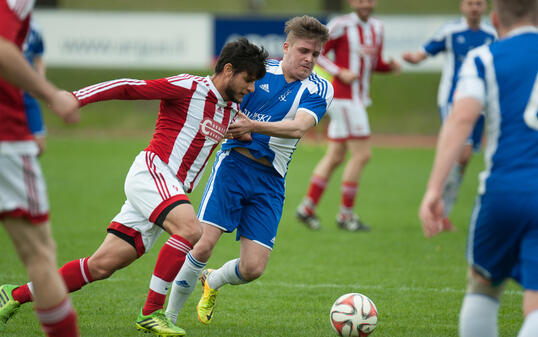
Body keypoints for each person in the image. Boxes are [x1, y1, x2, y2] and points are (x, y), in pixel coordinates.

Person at [0, 37, 268, 337]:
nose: (252, 88)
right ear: (228, 70)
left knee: (102, 266)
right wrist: (77, 97)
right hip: (153, 172)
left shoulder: (231, 110)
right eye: (249, 80)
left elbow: (235, 133)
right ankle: (152, 313)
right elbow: (129, 86)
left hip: (168, 192)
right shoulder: (188, 87)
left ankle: (15, 294)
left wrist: (248, 134)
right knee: (191, 230)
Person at [164, 15, 333, 326]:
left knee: (253, 268)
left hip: (271, 180)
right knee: (203, 243)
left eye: (316, 54)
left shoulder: (320, 87)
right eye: (304, 51)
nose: (309, 59)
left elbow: (298, 128)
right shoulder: (258, 71)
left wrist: (251, 125)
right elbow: (220, 94)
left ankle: (212, 281)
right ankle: (168, 317)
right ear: (286, 48)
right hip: (233, 166)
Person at [418, 0, 537, 336]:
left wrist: (433, 189)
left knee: (483, 284)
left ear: (495, 19)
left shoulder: (485, 57)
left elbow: (461, 119)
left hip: (503, 190)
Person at [0, 0, 82, 336]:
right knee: (40, 253)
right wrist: (52, 94)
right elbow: (3, 50)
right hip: (5, 135)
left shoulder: (35, 30)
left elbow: (33, 57)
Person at [295, 0, 401, 232]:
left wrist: (389, 66)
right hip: (344, 98)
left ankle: (307, 208)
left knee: (335, 156)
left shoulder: (378, 28)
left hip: (358, 98)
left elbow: (374, 63)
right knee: (362, 155)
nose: (365, 4)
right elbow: (317, 53)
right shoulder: (341, 25)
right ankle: (346, 215)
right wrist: (338, 71)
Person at [403, 0, 496, 230]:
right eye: (470, 3)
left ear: (485, 7)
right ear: (462, 6)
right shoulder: (450, 31)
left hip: (481, 103)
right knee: (461, 154)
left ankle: (442, 211)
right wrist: (413, 59)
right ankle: (438, 208)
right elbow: (425, 52)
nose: (474, 7)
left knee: (463, 161)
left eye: (479, 3)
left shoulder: (492, 33)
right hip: (452, 101)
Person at [23, 17, 47, 155]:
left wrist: (41, 83)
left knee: (39, 146)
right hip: (7, 93)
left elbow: (38, 59)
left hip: (28, 93)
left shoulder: (35, 28)